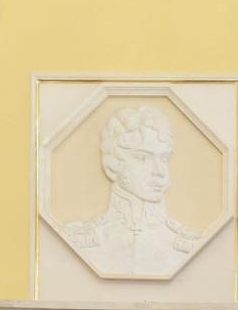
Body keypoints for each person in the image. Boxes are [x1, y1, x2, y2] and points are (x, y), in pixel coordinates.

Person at [66, 107, 201, 277]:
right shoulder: (80, 241)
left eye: (164, 158)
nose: (159, 171)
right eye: (143, 158)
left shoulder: (187, 245)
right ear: (111, 165)